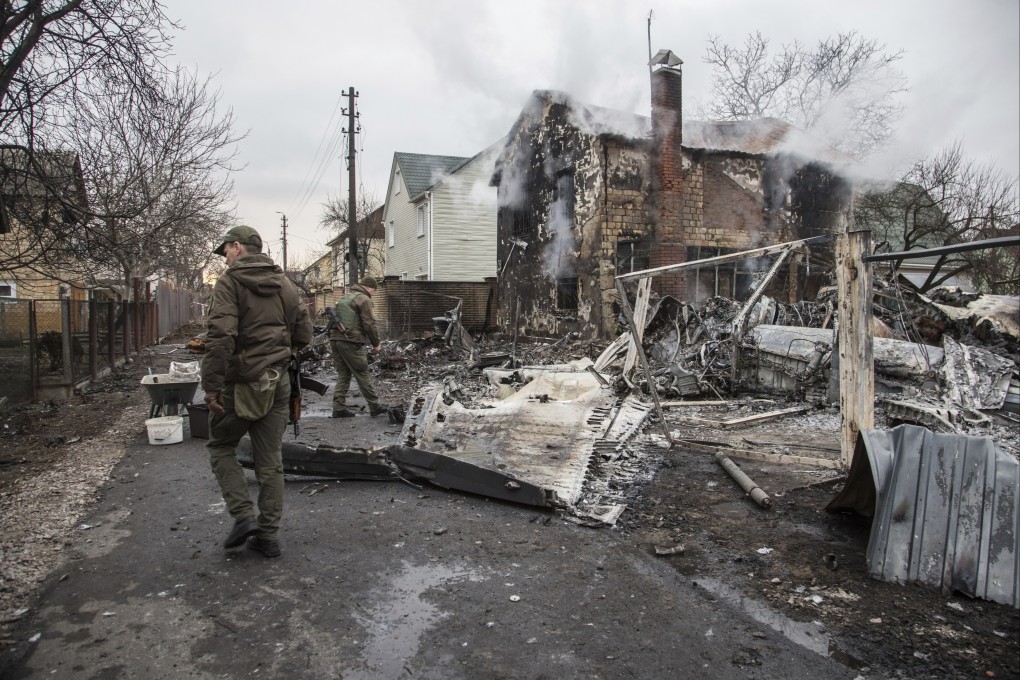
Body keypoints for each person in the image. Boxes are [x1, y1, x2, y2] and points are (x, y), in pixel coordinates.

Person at [201, 225, 312, 558]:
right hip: (277, 381)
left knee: (221, 446)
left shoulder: (230, 283)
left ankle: (243, 517)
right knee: (271, 461)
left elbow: (221, 336)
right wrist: (282, 350)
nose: (224, 259)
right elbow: (304, 332)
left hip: (241, 383)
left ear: (238, 247)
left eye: (225, 252)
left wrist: (211, 386)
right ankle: (268, 537)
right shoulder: (285, 284)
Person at [330, 275, 388, 418]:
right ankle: (375, 405)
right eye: (373, 290)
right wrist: (376, 344)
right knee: (362, 373)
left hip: (335, 339)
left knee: (344, 374)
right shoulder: (364, 299)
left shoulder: (346, 296)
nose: (373, 293)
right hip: (351, 341)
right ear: (369, 287)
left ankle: (338, 408)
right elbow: (369, 324)